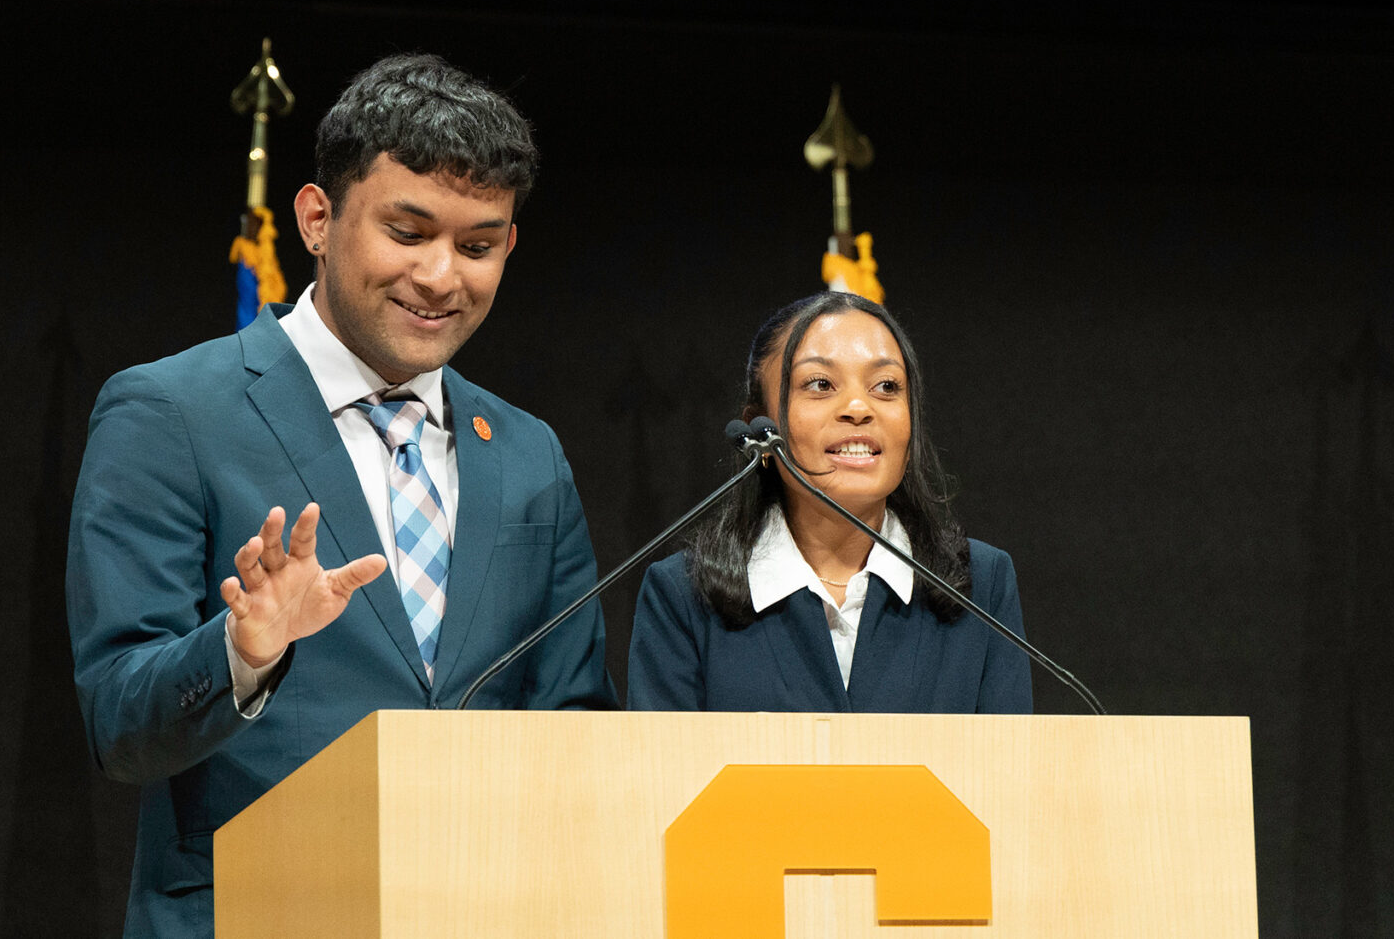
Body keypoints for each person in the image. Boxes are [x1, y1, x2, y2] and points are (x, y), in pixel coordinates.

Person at [67, 54, 612, 939]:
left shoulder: (527, 454)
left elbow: (575, 730)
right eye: (407, 233)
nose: (442, 277)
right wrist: (244, 653)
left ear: (509, 246)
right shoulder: (170, 412)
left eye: (477, 246)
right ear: (318, 219)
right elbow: (120, 725)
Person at [626, 289, 1030, 713]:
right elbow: (664, 777)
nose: (858, 408)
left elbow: (1005, 773)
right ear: (758, 430)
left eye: (886, 386)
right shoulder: (683, 596)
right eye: (820, 384)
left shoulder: (981, 587)